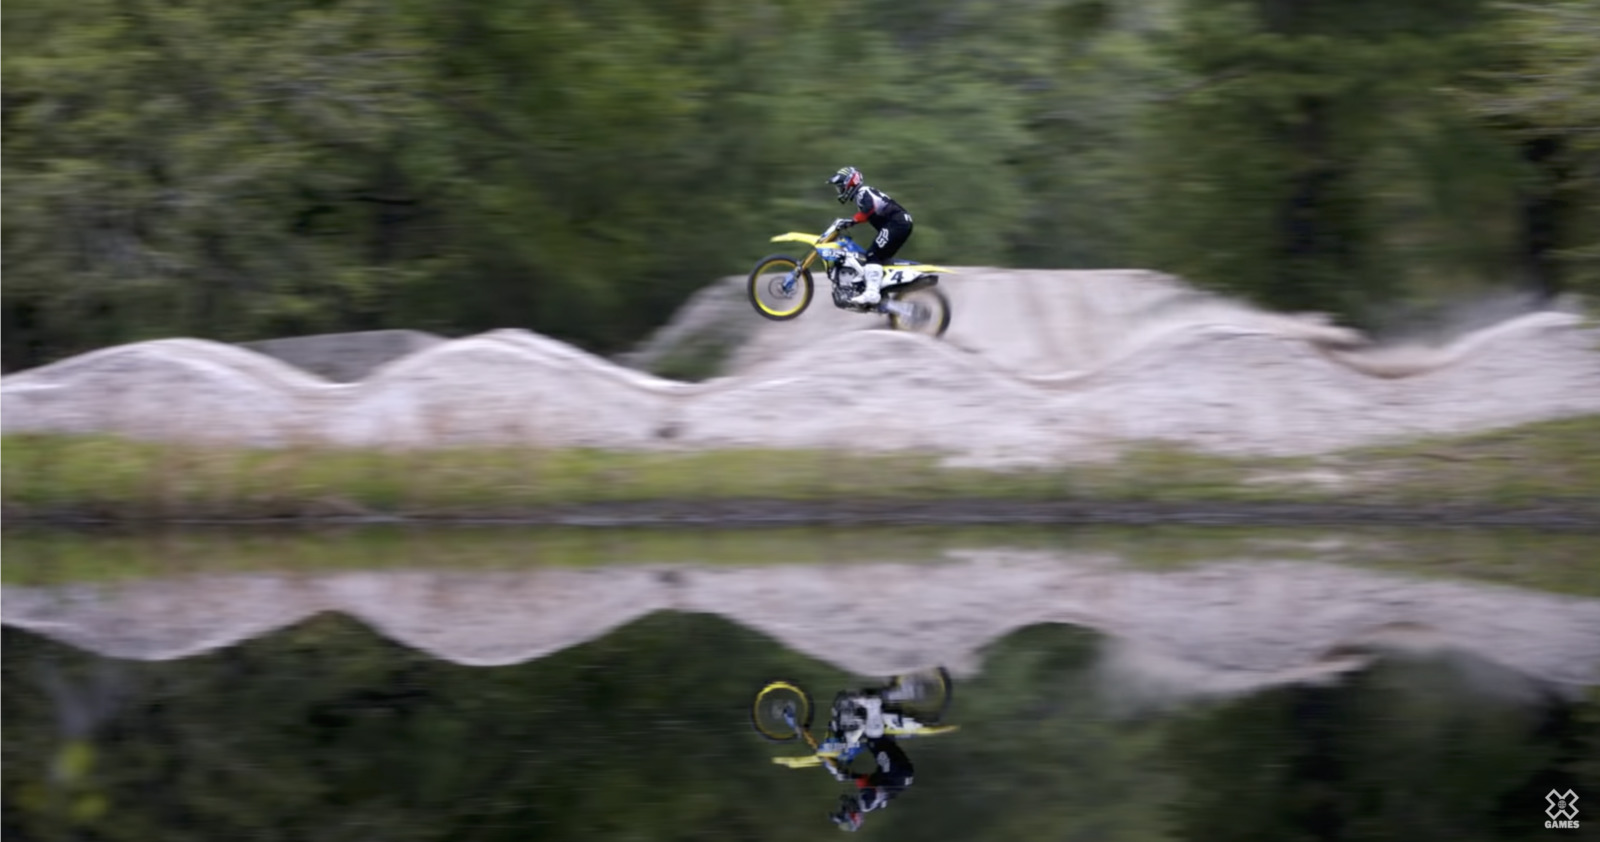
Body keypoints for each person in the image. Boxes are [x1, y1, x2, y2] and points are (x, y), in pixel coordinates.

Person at [819, 689, 918, 832]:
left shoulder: (865, 802)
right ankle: (873, 704)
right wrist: (844, 772)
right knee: (873, 741)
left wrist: (845, 773)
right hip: (897, 773)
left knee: (880, 741)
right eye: (843, 810)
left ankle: (893, 697)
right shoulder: (866, 803)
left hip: (899, 774)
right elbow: (867, 784)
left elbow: (863, 780)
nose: (843, 805)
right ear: (852, 814)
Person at [825, 166, 915, 307]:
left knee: (872, 254)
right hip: (900, 223)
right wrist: (851, 221)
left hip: (896, 223)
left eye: (841, 187)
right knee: (880, 259)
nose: (840, 191)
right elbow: (870, 214)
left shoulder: (862, 192)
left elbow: (869, 210)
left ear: (850, 183)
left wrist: (851, 221)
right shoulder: (862, 195)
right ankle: (880, 293)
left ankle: (872, 293)